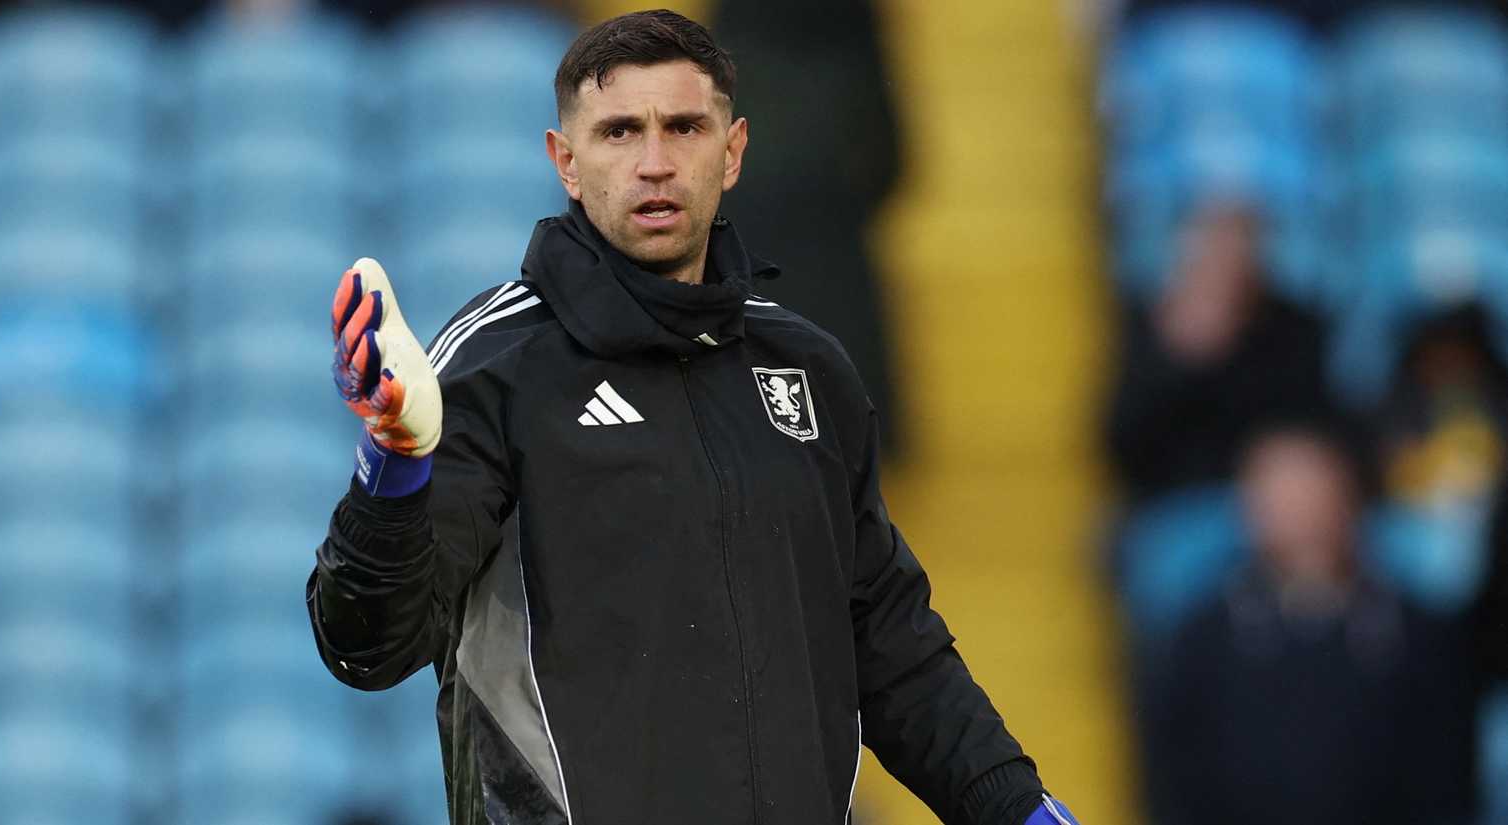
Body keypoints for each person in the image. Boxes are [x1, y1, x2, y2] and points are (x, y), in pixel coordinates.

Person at [305, 10, 1080, 825]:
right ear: (564, 162)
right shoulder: (499, 367)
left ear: (733, 151)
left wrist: (1016, 806)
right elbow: (366, 644)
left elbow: (890, 647)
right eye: (618, 133)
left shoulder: (809, 371)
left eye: (683, 128)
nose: (654, 163)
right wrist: (391, 468)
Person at [1152, 421, 1476, 825]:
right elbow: (1175, 783)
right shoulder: (1202, 638)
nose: (1294, 503)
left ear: (1348, 491)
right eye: (1274, 485)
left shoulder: (1415, 636)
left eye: (1308, 481)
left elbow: (1445, 783)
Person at [1104, 204, 1332, 503]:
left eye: (1241, 235)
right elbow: (1122, 446)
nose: (1228, 251)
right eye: (1215, 234)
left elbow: (1306, 433)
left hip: (1277, 502)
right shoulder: (1148, 323)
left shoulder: (1298, 328)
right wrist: (1179, 360)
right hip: (1176, 503)